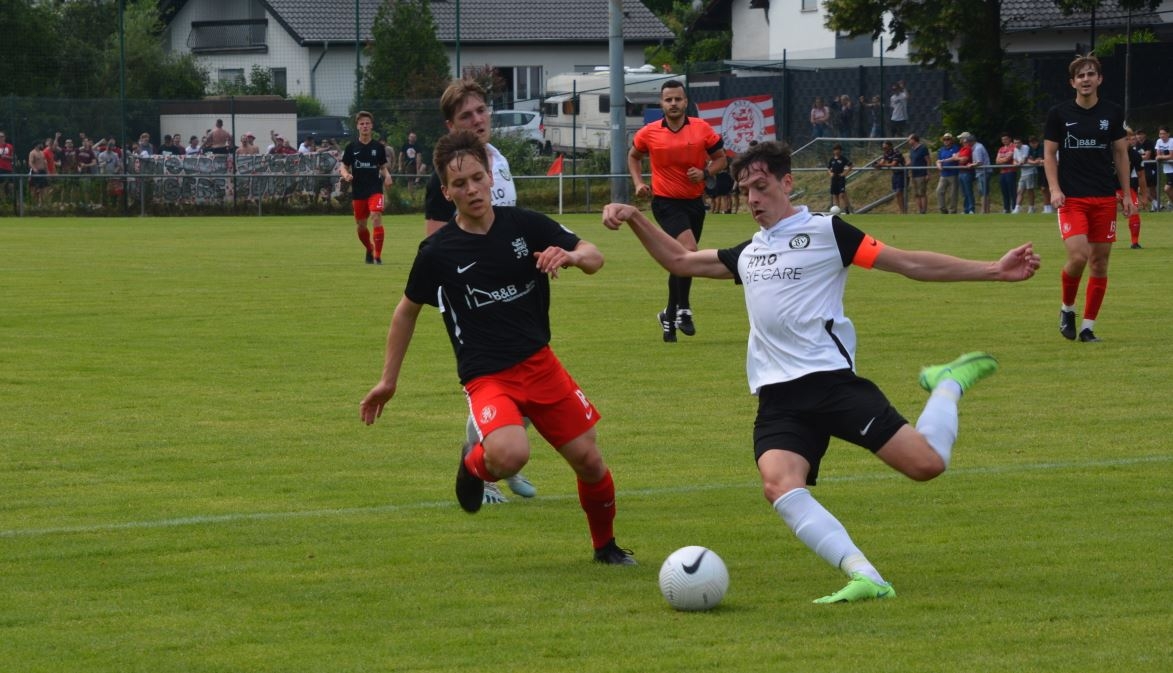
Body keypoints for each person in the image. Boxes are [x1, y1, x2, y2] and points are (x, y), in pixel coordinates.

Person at [601, 140, 1040, 603]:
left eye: (761, 186)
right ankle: (865, 576)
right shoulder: (748, 253)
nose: (752, 199)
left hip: (831, 385)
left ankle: (947, 383)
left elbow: (909, 263)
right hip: (778, 398)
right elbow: (679, 261)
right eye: (745, 190)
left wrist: (994, 269)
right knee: (778, 485)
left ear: (787, 182)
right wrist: (634, 217)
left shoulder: (828, 232)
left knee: (926, 465)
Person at [360, 130, 636, 567]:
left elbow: (594, 255)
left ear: (490, 176)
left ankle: (606, 548)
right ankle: (474, 465)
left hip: (541, 365)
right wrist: (387, 381)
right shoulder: (437, 252)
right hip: (487, 375)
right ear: (446, 192)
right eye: (459, 184)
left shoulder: (524, 225)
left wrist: (571, 256)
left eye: (477, 178)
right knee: (510, 454)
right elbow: (405, 312)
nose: (472, 189)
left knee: (590, 461)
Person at [423, 78, 534, 506]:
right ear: (451, 125)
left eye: (481, 111)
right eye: (466, 115)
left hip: (515, 290)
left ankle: (507, 461)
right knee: (493, 381)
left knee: (529, 383)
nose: (477, 120)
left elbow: (512, 224)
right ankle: (483, 471)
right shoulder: (445, 179)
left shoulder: (498, 161)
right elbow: (435, 245)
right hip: (473, 297)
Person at [628, 79, 727, 342]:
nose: (673, 103)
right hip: (665, 202)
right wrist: (638, 183)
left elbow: (721, 159)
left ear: (685, 102)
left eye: (677, 99)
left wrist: (705, 172)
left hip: (694, 203)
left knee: (682, 260)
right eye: (668, 99)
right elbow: (633, 156)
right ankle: (683, 309)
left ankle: (669, 314)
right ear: (661, 103)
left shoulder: (701, 128)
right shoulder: (649, 132)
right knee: (689, 250)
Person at [1044, 53, 1133, 343]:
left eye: (1090, 74)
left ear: (1099, 79)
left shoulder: (1112, 112)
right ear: (1073, 82)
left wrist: (1126, 194)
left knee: (1100, 263)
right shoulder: (1059, 113)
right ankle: (1067, 308)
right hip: (1072, 198)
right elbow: (1049, 154)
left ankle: (1087, 328)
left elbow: (1120, 154)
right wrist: (1055, 189)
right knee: (1079, 255)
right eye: (1080, 75)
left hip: (1104, 198)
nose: (1086, 79)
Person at [340, 110, 393, 265]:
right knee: (361, 226)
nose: (365, 126)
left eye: (367, 123)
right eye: (362, 123)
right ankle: (369, 248)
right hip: (358, 192)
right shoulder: (351, 147)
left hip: (375, 189)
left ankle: (377, 256)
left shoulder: (378, 147)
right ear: (357, 126)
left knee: (376, 216)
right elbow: (343, 166)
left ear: (371, 126)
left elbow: (383, 167)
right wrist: (346, 175)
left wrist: (387, 176)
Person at [1122, 127, 1145, 249]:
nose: (1130, 141)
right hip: (1107, 188)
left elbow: (1141, 175)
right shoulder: (1108, 152)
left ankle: (1135, 242)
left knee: (1134, 210)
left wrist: (1144, 196)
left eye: (1131, 139)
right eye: (1126, 139)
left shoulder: (1135, 154)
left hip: (1126, 188)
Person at [1013, 136, 1043, 214]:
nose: (1016, 144)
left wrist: (1020, 163)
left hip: (1031, 171)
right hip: (1023, 173)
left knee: (1030, 190)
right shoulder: (1015, 149)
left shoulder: (1026, 147)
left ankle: (1031, 208)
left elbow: (1025, 159)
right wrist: (1016, 163)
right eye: (1015, 143)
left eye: (1018, 143)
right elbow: (1014, 160)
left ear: (1021, 143)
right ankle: (1017, 208)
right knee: (1019, 191)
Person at [877, 140, 906, 213]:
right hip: (895, 174)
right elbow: (882, 162)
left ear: (890, 146)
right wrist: (878, 165)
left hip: (901, 173)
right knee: (897, 193)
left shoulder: (896, 152)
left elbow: (893, 164)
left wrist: (882, 165)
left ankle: (903, 211)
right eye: (883, 148)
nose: (884, 149)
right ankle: (902, 211)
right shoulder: (886, 153)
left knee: (899, 192)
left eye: (886, 147)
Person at [935, 133, 960, 214]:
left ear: (951, 140)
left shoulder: (956, 148)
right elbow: (938, 160)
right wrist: (939, 165)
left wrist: (942, 161)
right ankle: (943, 209)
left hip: (953, 174)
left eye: (948, 139)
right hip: (944, 174)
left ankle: (952, 210)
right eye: (944, 139)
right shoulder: (941, 150)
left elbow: (955, 158)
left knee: (953, 194)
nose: (946, 141)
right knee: (939, 191)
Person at [827, 143, 854, 213]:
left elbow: (851, 165)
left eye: (838, 150)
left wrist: (845, 173)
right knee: (835, 195)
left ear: (840, 151)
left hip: (840, 178)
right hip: (834, 179)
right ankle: (837, 209)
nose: (836, 151)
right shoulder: (832, 159)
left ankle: (846, 208)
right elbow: (828, 168)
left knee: (842, 194)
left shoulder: (843, 159)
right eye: (835, 150)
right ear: (833, 151)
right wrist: (830, 173)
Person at [906, 134, 930, 214]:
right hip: (913, 174)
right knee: (916, 194)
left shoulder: (923, 148)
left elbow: (928, 160)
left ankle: (924, 211)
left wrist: (928, 173)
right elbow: (911, 161)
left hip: (921, 174)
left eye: (909, 139)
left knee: (922, 193)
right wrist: (905, 165)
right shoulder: (911, 149)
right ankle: (919, 210)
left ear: (914, 140)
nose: (908, 141)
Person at [1136, 129, 1158, 211]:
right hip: (1142, 168)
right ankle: (1156, 204)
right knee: (1141, 189)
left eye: (1141, 134)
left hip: (1151, 167)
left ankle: (1155, 206)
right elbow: (1142, 156)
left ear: (1144, 135)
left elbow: (1147, 157)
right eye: (1138, 134)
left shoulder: (1148, 143)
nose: (1139, 136)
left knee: (1152, 188)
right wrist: (1140, 156)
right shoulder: (1137, 144)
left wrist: (1137, 157)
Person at [995, 132, 1018, 214]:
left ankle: (1014, 207)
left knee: (1012, 191)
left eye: (1005, 139)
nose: (1004, 141)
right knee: (1004, 191)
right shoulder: (1001, 149)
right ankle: (1006, 208)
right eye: (1002, 139)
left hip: (1011, 171)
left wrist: (1002, 158)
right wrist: (1003, 159)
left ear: (1009, 139)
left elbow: (1007, 159)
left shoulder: (1013, 147)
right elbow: (997, 161)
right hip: (1002, 172)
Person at [955, 132, 977, 214]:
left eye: (961, 138)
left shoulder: (968, 149)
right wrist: (958, 158)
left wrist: (957, 158)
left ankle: (971, 209)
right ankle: (966, 209)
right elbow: (955, 157)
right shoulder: (962, 149)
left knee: (968, 191)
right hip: (961, 172)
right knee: (964, 192)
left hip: (967, 173)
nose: (960, 140)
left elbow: (964, 160)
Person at [1154, 126, 1173, 209]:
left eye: (1164, 134)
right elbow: (1157, 155)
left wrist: (1161, 156)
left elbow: (1171, 156)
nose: (1162, 136)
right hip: (1167, 169)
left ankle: (1171, 203)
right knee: (1169, 189)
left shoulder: (1172, 141)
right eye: (1160, 134)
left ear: (1168, 134)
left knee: (1167, 189)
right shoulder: (1159, 141)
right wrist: (1162, 156)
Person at [28, 141, 49, 206]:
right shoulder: (32, 152)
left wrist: (47, 171)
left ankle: (42, 203)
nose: (41, 145)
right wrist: (34, 169)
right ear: (37, 145)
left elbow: (45, 162)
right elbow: (30, 162)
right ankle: (33, 203)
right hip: (36, 172)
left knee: (43, 188)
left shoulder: (42, 153)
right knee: (34, 188)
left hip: (42, 172)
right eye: (40, 144)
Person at [0, 131, 13, 200]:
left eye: (2, 136)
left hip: (8, 168)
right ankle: (3, 201)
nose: (1, 138)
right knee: (1, 185)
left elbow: (13, 157)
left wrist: (6, 157)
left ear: (5, 137)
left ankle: (10, 199)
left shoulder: (9, 146)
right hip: (0, 168)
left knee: (10, 185)